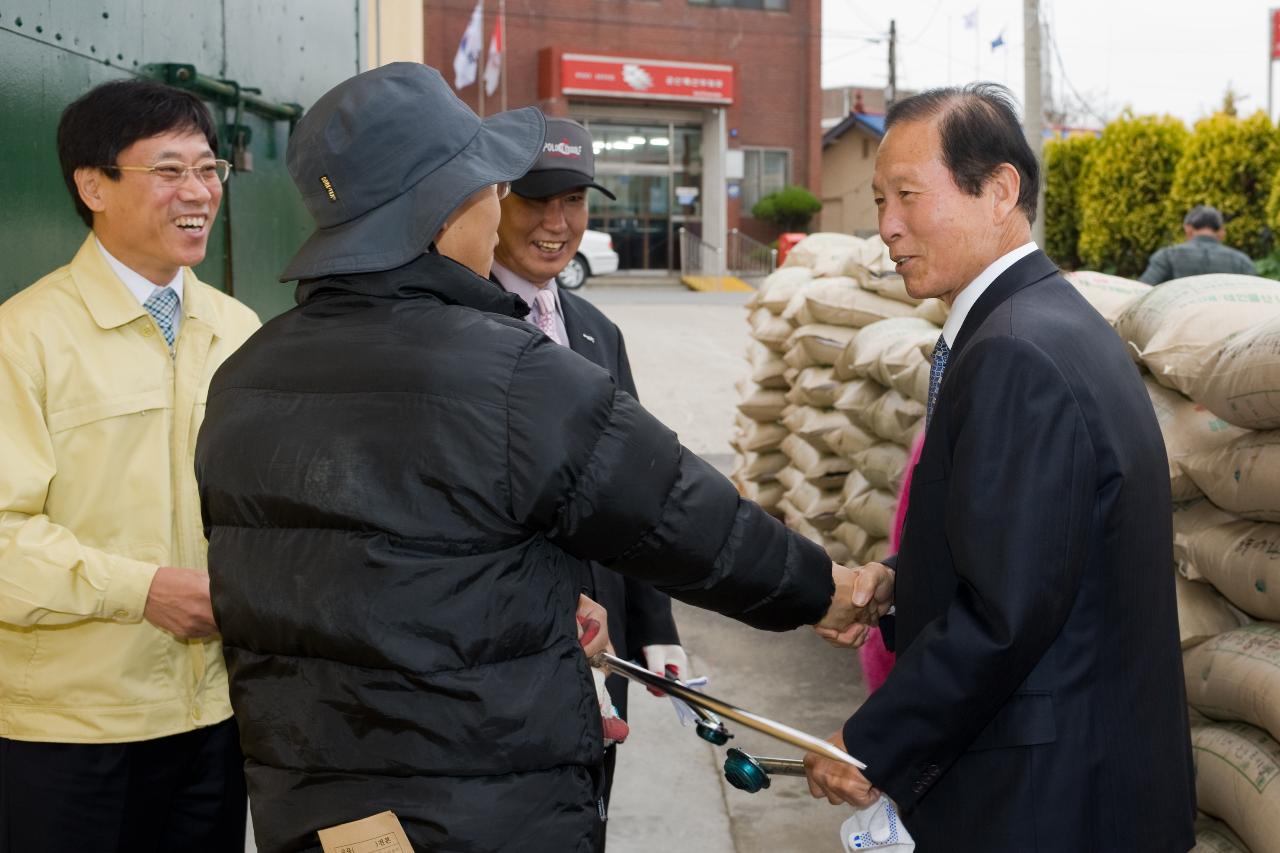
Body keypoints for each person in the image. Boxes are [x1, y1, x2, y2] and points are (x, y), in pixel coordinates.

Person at [194, 62, 861, 853]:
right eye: (489, 187)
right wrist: (826, 588)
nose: (498, 203)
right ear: (443, 211)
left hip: (319, 808)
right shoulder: (512, 374)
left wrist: (535, 597)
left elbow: (356, 573)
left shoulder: (245, 375)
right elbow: (688, 518)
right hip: (482, 801)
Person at [804, 84, 1196, 852]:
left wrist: (871, 740)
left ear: (1000, 190)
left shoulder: (1014, 350)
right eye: (881, 199)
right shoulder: (1044, 320)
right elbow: (1028, 544)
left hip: (1050, 799)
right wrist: (899, 576)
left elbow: (1004, 615)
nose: (886, 225)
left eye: (909, 196)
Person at [0, 79, 260, 850]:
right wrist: (140, 588)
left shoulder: (237, 329)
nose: (199, 192)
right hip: (68, 734)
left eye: (209, 169)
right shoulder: (25, 339)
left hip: (215, 719)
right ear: (93, 184)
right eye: (169, 170)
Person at [492, 116, 686, 817]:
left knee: (590, 811)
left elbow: (634, 491)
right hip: (507, 651)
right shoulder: (456, 322)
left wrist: (655, 622)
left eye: (573, 199)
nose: (556, 221)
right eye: (535, 198)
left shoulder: (598, 333)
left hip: (604, 652)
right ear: (493, 199)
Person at [1139, 204, 1255, 283]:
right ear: (1221, 232)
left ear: (1188, 229)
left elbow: (1143, 291)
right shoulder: (1241, 261)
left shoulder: (1167, 256)